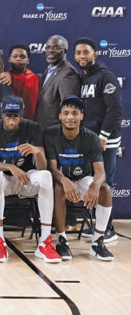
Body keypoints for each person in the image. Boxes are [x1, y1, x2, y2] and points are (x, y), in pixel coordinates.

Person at [0, 95, 61, 263]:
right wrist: (10, 167)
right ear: (1, 114)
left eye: (15, 116)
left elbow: (42, 167)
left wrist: (37, 152)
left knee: (46, 176)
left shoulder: (33, 128)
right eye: (8, 115)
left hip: (26, 178)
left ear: (21, 115)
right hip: (5, 181)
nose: (11, 120)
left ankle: (45, 242)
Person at [45, 96, 114, 261]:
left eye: (75, 113)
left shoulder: (90, 137)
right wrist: (64, 180)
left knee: (105, 190)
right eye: (66, 113)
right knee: (59, 188)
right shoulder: (50, 134)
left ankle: (97, 243)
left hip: (82, 178)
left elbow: (100, 170)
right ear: (60, 116)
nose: (70, 117)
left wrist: (95, 185)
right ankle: (62, 240)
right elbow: (52, 168)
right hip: (60, 180)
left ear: (81, 116)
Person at [74, 37, 122, 241]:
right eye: (78, 53)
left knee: (105, 183)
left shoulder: (105, 77)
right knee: (92, 182)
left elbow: (114, 111)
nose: (82, 56)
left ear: (95, 54)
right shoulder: (83, 77)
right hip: (89, 140)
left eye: (86, 52)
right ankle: (98, 225)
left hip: (105, 141)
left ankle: (108, 229)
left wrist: (102, 136)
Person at [36, 35, 80, 130]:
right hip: (43, 130)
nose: (50, 50)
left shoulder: (68, 73)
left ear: (65, 51)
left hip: (55, 133)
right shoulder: (49, 69)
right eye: (48, 47)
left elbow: (69, 110)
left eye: (56, 47)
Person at [8, 44, 40, 120]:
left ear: (28, 60)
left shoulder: (36, 79)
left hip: (30, 124)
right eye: (15, 56)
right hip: (8, 123)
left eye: (23, 57)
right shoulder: (3, 78)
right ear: (9, 59)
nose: (18, 59)